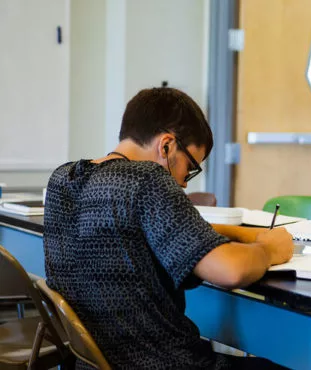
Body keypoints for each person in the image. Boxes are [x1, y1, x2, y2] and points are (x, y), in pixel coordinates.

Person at [43, 87, 294, 369]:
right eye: (190, 167)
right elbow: (230, 270)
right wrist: (269, 249)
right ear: (166, 146)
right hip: (164, 362)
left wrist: (242, 234)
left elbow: (150, 232)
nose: (185, 183)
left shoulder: (63, 180)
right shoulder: (146, 178)